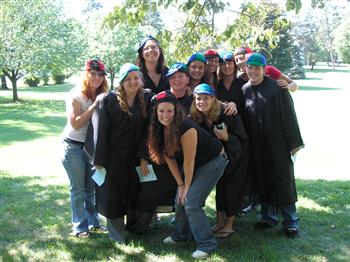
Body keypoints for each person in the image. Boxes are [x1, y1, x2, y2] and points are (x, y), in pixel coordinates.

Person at [148, 90, 227, 259]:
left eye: (169, 111)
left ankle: (207, 244)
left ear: (176, 110)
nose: (165, 115)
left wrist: (187, 187)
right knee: (180, 197)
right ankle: (180, 235)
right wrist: (180, 185)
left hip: (213, 161)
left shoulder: (186, 127)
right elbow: (169, 158)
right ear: (156, 111)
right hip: (195, 163)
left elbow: (189, 161)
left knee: (191, 201)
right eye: (161, 111)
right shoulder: (158, 128)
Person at [241, 53, 304, 237]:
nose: (253, 71)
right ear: (246, 69)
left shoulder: (277, 87)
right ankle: (268, 217)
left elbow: (289, 116)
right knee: (263, 179)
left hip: (278, 143)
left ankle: (290, 221)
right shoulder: (245, 90)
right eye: (250, 67)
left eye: (256, 68)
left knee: (283, 180)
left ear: (264, 69)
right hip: (257, 145)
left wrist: (294, 143)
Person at [91, 63, 153, 243]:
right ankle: (117, 235)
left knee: (140, 192)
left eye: (136, 78)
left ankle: (136, 229)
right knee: (114, 196)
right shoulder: (108, 100)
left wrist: (144, 156)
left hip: (137, 156)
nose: (133, 82)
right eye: (128, 79)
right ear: (121, 82)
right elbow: (100, 131)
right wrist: (99, 161)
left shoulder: (147, 98)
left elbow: (150, 129)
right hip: (113, 157)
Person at [190, 83, 250, 238]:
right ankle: (219, 222)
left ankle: (229, 225)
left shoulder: (228, 113)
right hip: (218, 160)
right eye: (198, 98)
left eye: (205, 98)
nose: (201, 102)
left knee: (232, 190)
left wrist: (227, 137)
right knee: (221, 190)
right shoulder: (198, 117)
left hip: (237, 157)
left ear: (213, 99)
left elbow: (242, 138)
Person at [61, 59, 108, 237]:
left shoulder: (102, 93)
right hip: (73, 147)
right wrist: (94, 106)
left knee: (91, 189)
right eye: (93, 73)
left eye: (100, 74)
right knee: (78, 190)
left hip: (91, 148)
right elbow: (75, 124)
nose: (97, 78)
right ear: (86, 74)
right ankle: (80, 227)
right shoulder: (76, 95)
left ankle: (94, 223)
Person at [234, 46, 298, 91]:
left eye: (241, 58)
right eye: (236, 60)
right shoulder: (242, 78)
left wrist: (288, 87)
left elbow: (293, 84)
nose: (239, 62)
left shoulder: (270, 70)